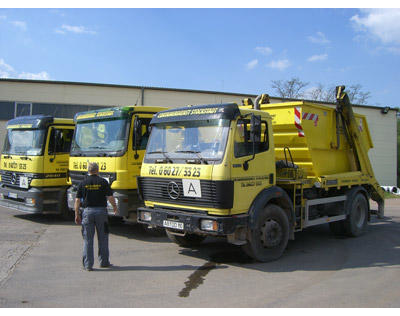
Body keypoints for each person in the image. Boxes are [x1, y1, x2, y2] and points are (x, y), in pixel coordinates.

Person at [74, 162, 118, 271]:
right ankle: (104, 262)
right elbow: (110, 197)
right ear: (97, 170)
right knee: (103, 238)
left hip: (87, 212)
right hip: (101, 212)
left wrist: (76, 214)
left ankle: (88, 265)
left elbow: (77, 200)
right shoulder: (103, 182)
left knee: (88, 239)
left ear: (88, 171)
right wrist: (115, 207)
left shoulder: (83, 183)